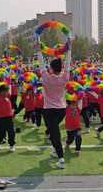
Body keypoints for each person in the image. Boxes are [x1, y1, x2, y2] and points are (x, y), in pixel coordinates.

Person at [36, 38, 72, 169]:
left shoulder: (46, 77)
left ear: (51, 68)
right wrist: (69, 48)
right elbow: (67, 64)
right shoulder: (65, 78)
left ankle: (61, 159)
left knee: (55, 134)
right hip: (62, 109)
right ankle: (56, 150)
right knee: (54, 131)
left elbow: (41, 64)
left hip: (49, 110)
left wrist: (38, 49)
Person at [0, 85, 16, 152]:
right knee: (0, 132)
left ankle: (11, 145)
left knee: (11, 132)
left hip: (9, 118)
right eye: (5, 91)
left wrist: (8, 79)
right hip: (1, 118)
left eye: (7, 91)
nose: (7, 92)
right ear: (0, 93)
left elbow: (10, 88)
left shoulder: (8, 97)